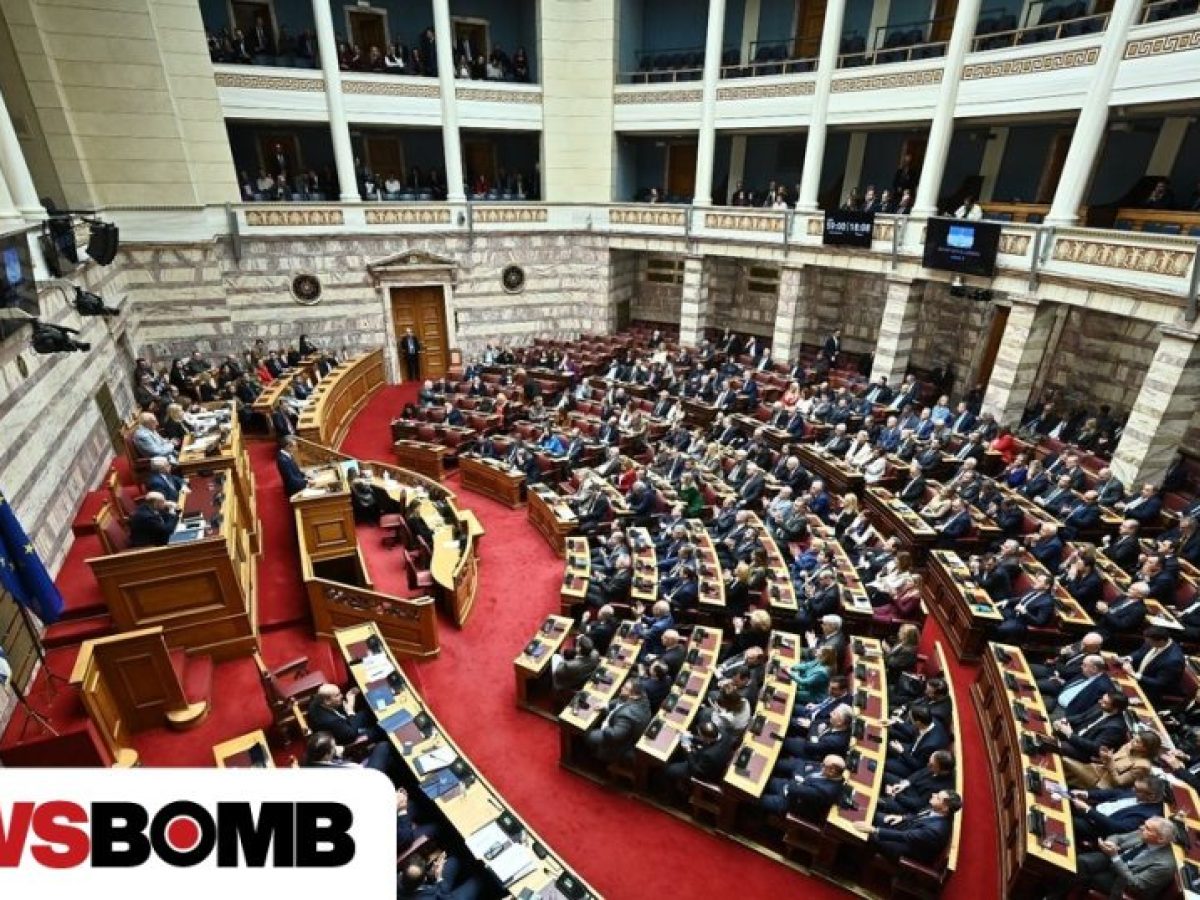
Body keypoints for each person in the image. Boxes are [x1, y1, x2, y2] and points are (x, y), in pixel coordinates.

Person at [1046, 818, 1177, 900]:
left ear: (1160, 839)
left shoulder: (1165, 865)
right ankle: (1055, 895)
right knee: (1081, 861)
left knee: (1088, 876)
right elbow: (1118, 837)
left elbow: (1136, 885)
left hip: (1123, 883)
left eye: (1147, 828)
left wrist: (1115, 857)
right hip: (1116, 859)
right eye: (1145, 825)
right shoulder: (1144, 833)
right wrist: (1111, 843)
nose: (1141, 827)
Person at [853, 790, 962, 864]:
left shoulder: (935, 831)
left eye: (938, 797)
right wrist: (902, 817)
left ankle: (856, 861)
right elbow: (918, 815)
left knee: (872, 836)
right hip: (908, 829)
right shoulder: (936, 808)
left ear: (945, 808)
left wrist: (874, 830)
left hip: (907, 850)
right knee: (875, 815)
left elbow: (905, 836)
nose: (934, 794)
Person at [584, 679, 652, 762]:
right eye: (624, 686)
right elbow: (621, 700)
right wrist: (607, 705)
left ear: (634, 696)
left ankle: (595, 757)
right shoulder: (642, 696)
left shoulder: (627, 716)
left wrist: (605, 727)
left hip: (618, 744)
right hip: (624, 729)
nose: (622, 688)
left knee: (590, 735)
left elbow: (615, 735)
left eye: (626, 689)